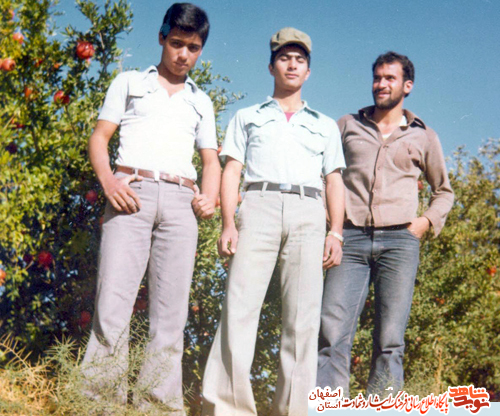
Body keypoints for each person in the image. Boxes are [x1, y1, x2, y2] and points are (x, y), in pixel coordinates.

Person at [81, 3, 220, 413]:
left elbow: (211, 161)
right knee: (112, 306)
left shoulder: (201, 101)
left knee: (171, 318)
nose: (183, 55)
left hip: (180, 203)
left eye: (193, 48)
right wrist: (109, 182)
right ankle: (98, 404)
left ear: (200, 49)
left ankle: (158, 407)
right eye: (176, 43)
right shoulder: (129, 82)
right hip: (131, 194)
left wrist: (210, 195)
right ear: (161, 37)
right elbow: (99, 138)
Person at [202, 27, 346, 416]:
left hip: (309, 211)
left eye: (299, 59)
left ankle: (293, 410)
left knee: (302, 319)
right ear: (271, 66)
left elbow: (334, 180)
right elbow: (232, 170)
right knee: (239, 308)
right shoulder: (247, 117)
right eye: (284, 58)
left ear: (308, 71)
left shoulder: (325, 125)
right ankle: (228, 409)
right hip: (258, 206)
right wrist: (228, 223)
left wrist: (335, 232)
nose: (292, 65)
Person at [317, 51, 454, 397]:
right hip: (349, 238)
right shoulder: (347, 125)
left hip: (400, 243)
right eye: (377, 77)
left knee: (390, 338)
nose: (381, 84)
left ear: (407, 86)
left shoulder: (424, 136)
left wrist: (424, 223)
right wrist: (331, 225)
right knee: (332, 331)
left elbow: (444, 192)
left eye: (390, 78)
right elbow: (324, 176)